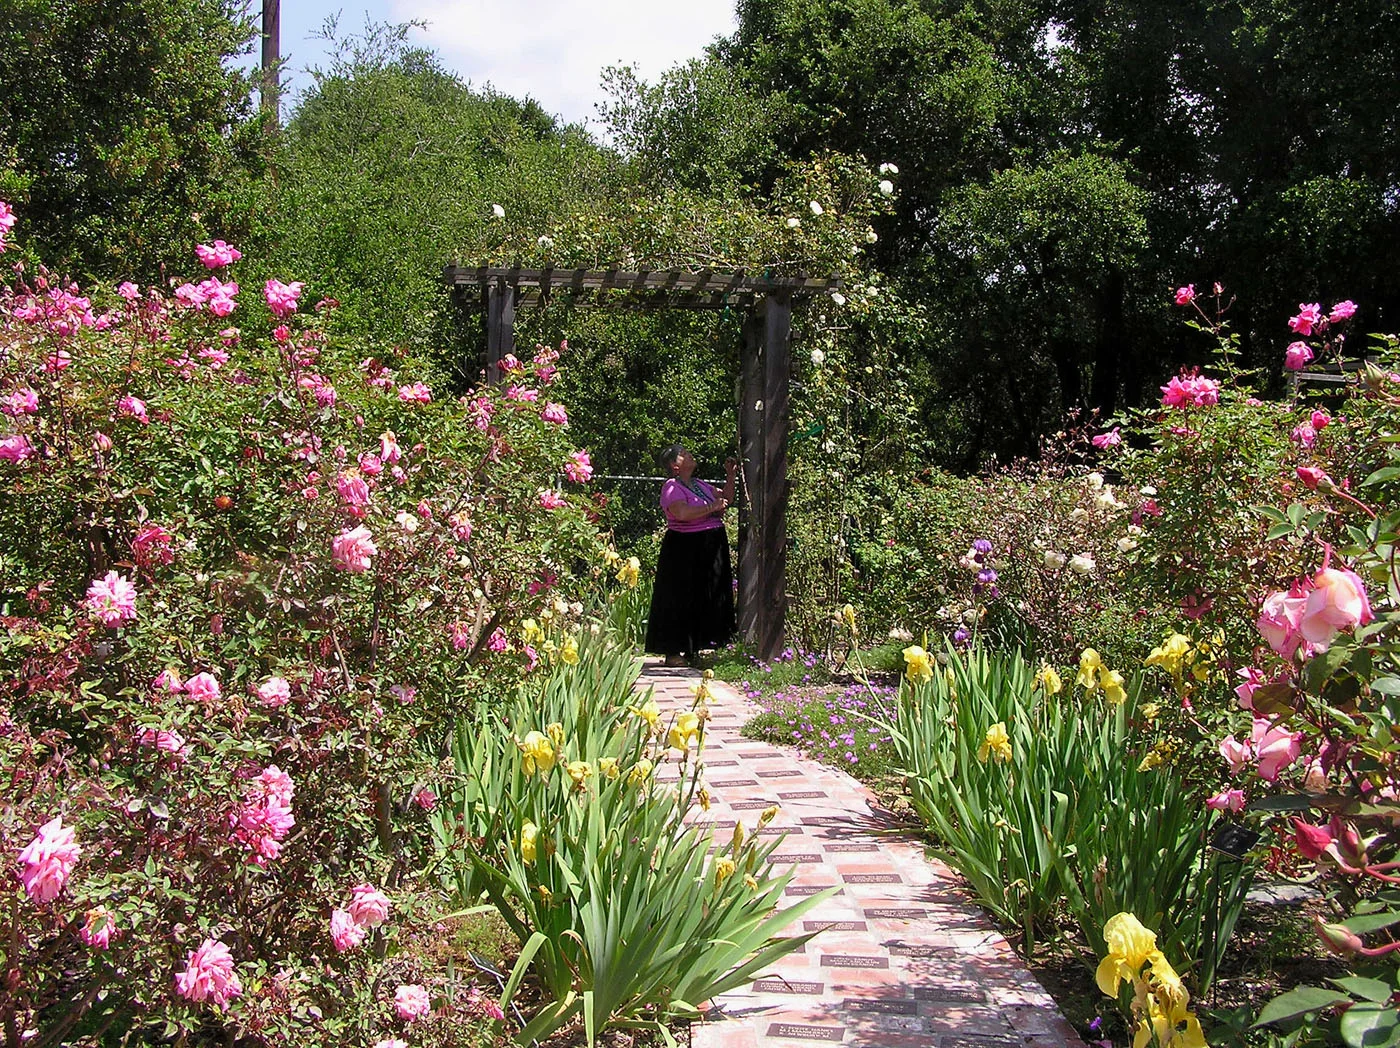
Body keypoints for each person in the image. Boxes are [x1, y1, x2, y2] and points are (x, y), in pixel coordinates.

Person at [645, 444, 738, 667]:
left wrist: (730, 475)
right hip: (684, 548)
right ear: (674, 466)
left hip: (710, 545)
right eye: (682, 454)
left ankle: (699, 646)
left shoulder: (700, 485)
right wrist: (712, 507)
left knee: (707, 595)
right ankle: (673, 651)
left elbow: (727, 498)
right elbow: (682, 513)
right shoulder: (671, 487)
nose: (689, 454)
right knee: (679, 597)